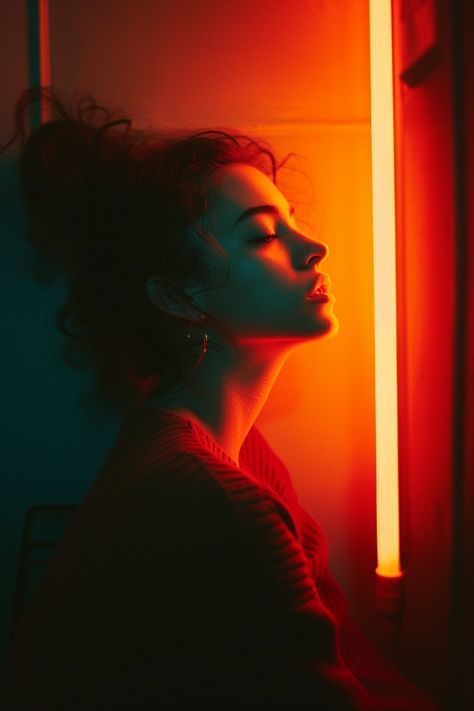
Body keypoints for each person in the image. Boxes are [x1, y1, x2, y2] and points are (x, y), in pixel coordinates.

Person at [0, 87, 439, 709]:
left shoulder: (238, 454)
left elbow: (349, 658)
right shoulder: (207, 497)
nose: (314, 247)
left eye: (294, 220)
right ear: (179, 298)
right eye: (263, 235)